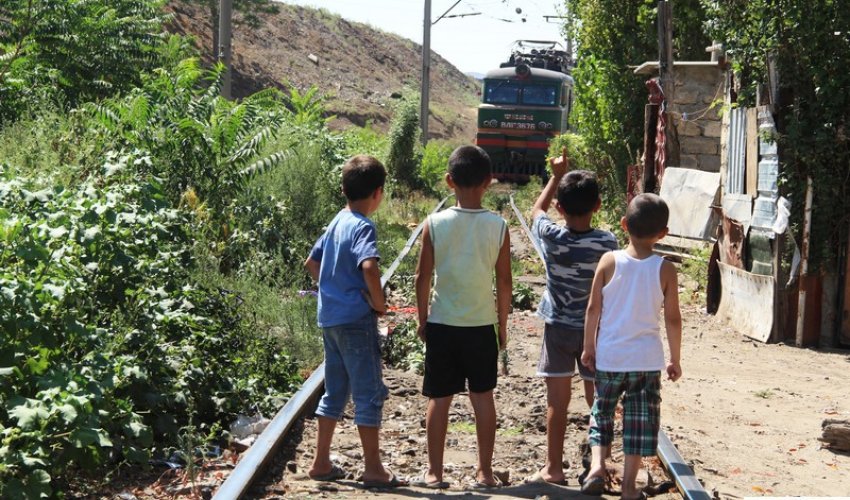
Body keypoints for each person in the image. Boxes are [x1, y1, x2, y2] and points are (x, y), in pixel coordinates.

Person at [413, 145, 512, 489]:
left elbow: (422, 277)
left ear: (448, 181)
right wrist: (502, 326)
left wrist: (422, 318)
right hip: (481, 326)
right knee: (483, 398)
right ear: (489, 182)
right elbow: (504, 281)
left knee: (439, 399)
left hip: (442, 324)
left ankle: (434, 472)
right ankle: (484, 472)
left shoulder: (434, 224)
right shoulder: (498, 226)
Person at [304, 155, 406, 488]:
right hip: (355, 322)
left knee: (335, 391)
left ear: (343, 189)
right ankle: (374, 468)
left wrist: (331, 289)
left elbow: (311, 262)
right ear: (378, 193)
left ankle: (321, 462)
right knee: (368, 393)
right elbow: (369, 268)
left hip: (330, 320)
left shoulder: (337, 221)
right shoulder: (363, 225)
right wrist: (378, 303)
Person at [580, 193, 683, 499]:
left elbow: (592, 309)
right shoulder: (665, 269)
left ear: (624, 225)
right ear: (662, 233)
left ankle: (597, 466)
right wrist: (674, 359)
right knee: (638, 422)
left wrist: (588, 346)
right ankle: (628, 486)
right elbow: (674, 319)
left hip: (611, 357)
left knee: (602, 412)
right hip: (646, 360)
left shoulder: (609, 261)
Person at [527, 150, 619, 485]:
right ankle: (600, 464)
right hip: (594, 334)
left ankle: (553, 468)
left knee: (557, 402)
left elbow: (536, 210)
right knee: (597, 399)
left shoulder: (551, 236)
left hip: (558, 329)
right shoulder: (607, 242)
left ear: (560, 208)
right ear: (597, 207)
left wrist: (555, 176)